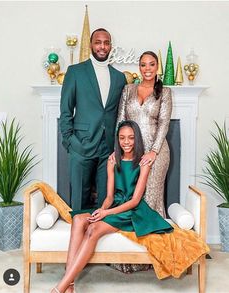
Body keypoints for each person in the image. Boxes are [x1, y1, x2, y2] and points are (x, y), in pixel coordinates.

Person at [51, 120, 173, 293]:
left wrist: (107, 212)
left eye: (131, 138)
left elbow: (135, 201)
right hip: (113, 204)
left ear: (136, 139)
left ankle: (59, 288)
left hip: (131, 210)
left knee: (92, 230)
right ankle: (69, 286)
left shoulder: (143, 163)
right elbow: (109, 196)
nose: (126, 142)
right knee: (79, 219)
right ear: (118, 139)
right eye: (122, 138)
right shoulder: (112, 160)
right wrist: (102, 210)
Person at [111, 51, 172, 273]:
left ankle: (152, 258)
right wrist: (115, 151)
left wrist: (154, 152)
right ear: (139, 67)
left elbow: (164, 123)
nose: (147, 68)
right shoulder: (128, 89)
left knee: (149, 203)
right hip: (130, 152)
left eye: (151, 64)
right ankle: (127, 256)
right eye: (143, 64)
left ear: (157, 67)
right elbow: (120, 121)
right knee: (129, 200)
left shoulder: (165, 92)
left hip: (156, 155)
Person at [60, 28, 126, 210]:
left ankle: (99, 237)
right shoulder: (75, 72)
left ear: (111, 46)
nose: (102, 47)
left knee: (106, 201)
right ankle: (78, 237)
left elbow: (118, 113)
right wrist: (71, 142)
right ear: (91, 45)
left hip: (108, 150)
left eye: (106, 43)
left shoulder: (120, 78)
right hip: (81, 145)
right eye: (98, 42)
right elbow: (65, 112)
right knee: (79, 202)